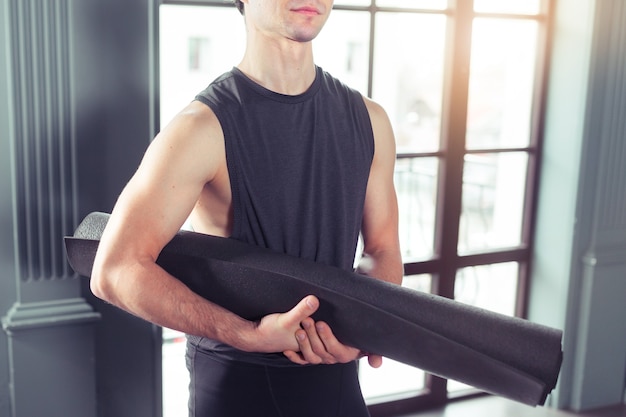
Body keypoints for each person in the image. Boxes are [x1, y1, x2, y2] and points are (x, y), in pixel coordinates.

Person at [90, 0, 403, 415]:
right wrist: (243, 333)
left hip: (337, 386)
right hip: (239, 387)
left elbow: (383, 251)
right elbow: (115, 270)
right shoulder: (200, 129)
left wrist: (365, 330)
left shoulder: (370, 119)